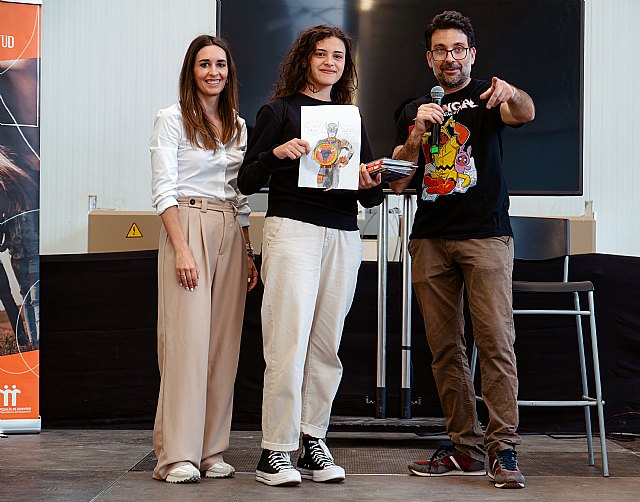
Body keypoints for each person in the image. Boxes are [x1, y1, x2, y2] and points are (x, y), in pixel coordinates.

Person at [389, 11, 535, 490]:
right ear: (429, 58)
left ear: (471, 53)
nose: (449, 57)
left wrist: (511, 93)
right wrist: (416, 132)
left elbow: (525, 113)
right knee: (445, 349)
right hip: (430, 238)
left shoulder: (489, 96)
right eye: (440, 50)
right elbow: (399, 179)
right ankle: (465, 448)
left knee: (495, 342)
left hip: (485, 236)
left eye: (457, 49)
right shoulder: (415, 107)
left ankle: (503, 448)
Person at [238, 25, 383, 487]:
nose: (329, 63)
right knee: (287, 341)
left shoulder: (350, 117)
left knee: (326, 346)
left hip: (343, 235)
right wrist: (276, 153)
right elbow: (246, 180)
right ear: (304, 59)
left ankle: (313, 439)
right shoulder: (278, 111)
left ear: (345, 66)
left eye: (338, 57)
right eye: (321, 54)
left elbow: (369, 194)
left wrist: (370, 181)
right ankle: (275, 450)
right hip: (293, 230)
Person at [149, 34, 258, 484]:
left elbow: (240, 195)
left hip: (230, 228)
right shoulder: (171, 119)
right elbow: (163, 190)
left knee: (222, 347)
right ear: (191, 71)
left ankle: (211, 450)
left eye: (220, 65)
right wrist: (181, 248)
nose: (213, 72)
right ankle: (177, 455)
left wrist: (248, 252)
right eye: (204, 64)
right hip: (187, 224)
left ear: (229, 72)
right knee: (186, 344)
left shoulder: (238, 125)